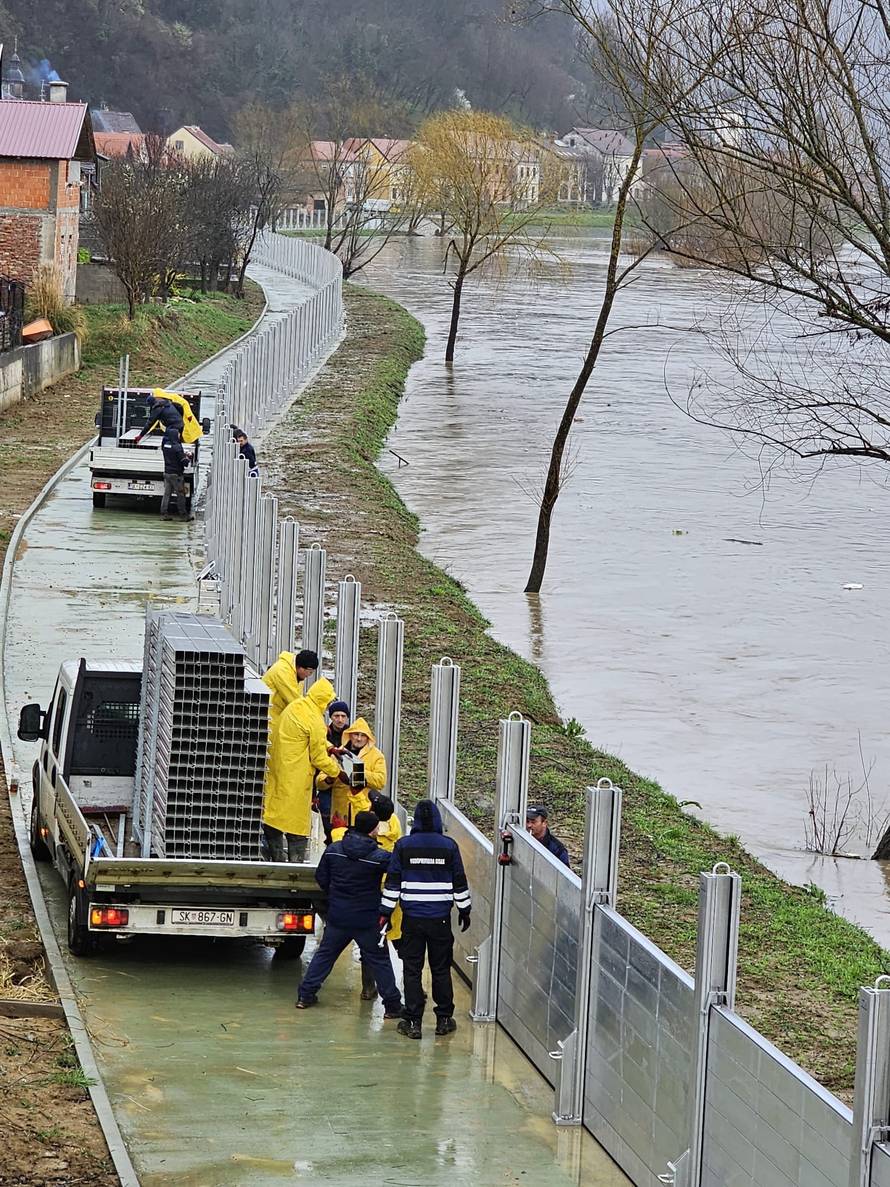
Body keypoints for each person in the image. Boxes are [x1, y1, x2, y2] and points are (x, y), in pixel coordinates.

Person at [296, 811, 403, 1017]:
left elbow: (321, 877)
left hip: (338, 915)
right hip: (367, 919)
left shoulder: (335, 850)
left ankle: (305, 996)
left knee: (325, 956)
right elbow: (397, 873)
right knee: (379, 961)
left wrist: (335, 895)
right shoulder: (379, 857)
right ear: (374, 830)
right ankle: (392, 1006)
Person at [380, 799, 471, 1039]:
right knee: (441, 969)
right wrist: (464, 910)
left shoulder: (403, 845)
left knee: (412, 970)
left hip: (412, 918)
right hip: (440, 918)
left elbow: (393, 883)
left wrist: (385, 913)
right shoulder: (449, 846)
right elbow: (459, 881)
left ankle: (412, 1022)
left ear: (415, 822)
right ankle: (443, 1019)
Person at [263, 676, 347, 863]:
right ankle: (295, 864)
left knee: (274, 815)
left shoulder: (297, 706)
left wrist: (329, 746)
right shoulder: (314, 719)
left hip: (279, 767)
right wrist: (337, 772)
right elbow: (317, 757)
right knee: (296, 825)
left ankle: (276, 857)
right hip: (296, 775)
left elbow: (305, 736)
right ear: (323, 699)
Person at [358, 794, 402, 1001]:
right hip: (395, 891)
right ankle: (415, 985)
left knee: (371, 941)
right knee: (401, 940)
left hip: (376, 890)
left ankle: (369, 987)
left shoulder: (371, 833)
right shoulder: (394, 823)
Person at [314, 700, 351, 842]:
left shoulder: (353, 736)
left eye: (343, 716)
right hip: (325, 784)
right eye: (336, 716)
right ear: (331, 717)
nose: (340, 719)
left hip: (345, 788)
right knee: (329, 827)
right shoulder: (323, 734)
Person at [261, 650, 319, 738]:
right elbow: (295, 701)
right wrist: (315, 722)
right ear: (301, 668)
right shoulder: (282, 671)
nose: (309, 675)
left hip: (276, 716)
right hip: (267, 717)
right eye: (310, 672)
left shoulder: (296, 674)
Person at [160, 425, 192, 521]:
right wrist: (188, 457)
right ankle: (183, 516)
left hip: (167, 473)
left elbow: (173, 456)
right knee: (181, 495)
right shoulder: (177, 447)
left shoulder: (166, 445)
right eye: (178, 433)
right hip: (176, 474)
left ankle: (163, 514)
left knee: (167, 494)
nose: (179, 435)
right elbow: (184, 462)